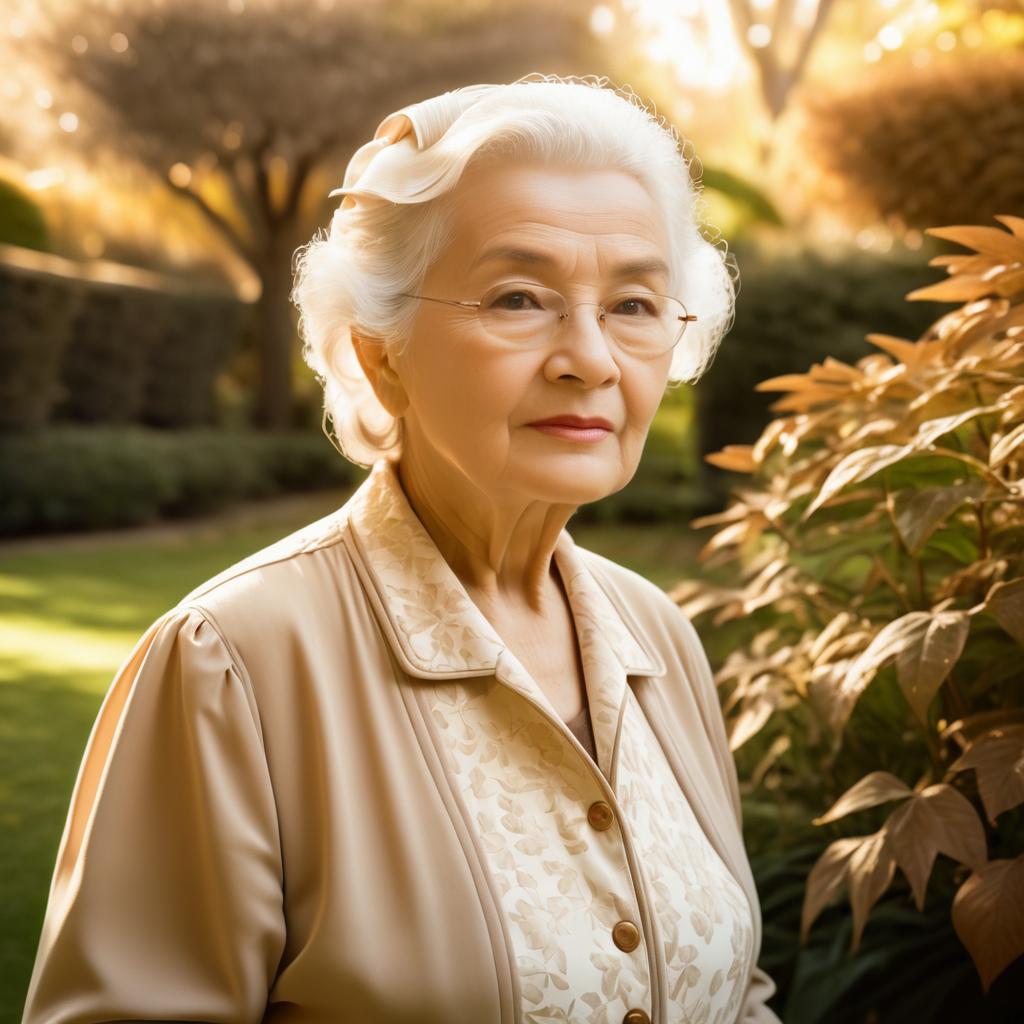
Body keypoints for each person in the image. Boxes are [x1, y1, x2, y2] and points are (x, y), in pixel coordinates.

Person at [21, 73, 780, 1024]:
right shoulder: (232, 665)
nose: (589, 357)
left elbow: (736, 996)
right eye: (518, 297)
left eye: (633, 304)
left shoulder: (660, 641)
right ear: (382, 349)